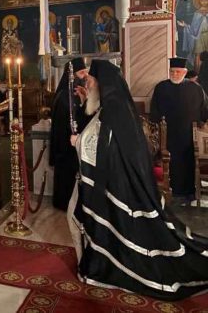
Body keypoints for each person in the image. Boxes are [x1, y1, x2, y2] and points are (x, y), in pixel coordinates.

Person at [69, 59, 208, 301]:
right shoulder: (110, 105)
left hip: (121, 185)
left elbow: (106, 146)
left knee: (123, 229)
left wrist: (79, 142)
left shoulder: (115, 109)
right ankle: (93, 261)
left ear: (102, 83)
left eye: (90, 80)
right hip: (115, 181)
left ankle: (103, 265)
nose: (87, 84)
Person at [150, 57, 208, 203]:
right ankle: (172, 192)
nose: (174, 74)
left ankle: (189, 192)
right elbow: (154, 111)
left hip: (188, 134)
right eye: (172, 71)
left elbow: (204, 109)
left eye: (177, 71)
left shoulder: (196, 88)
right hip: (168, 134)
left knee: (188, 163)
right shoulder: (161, 87)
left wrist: (201, 122)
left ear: (184, 72)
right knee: (171, 163)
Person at [50, 57, 90, 211]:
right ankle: (64, 203)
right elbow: (70, 121)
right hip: (65, 146)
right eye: (81, 73)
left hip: (75, 143)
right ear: (72, 75)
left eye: (85, 72)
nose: (85, 76)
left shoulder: (76, 93)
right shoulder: (63, 96)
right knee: (66, 176)